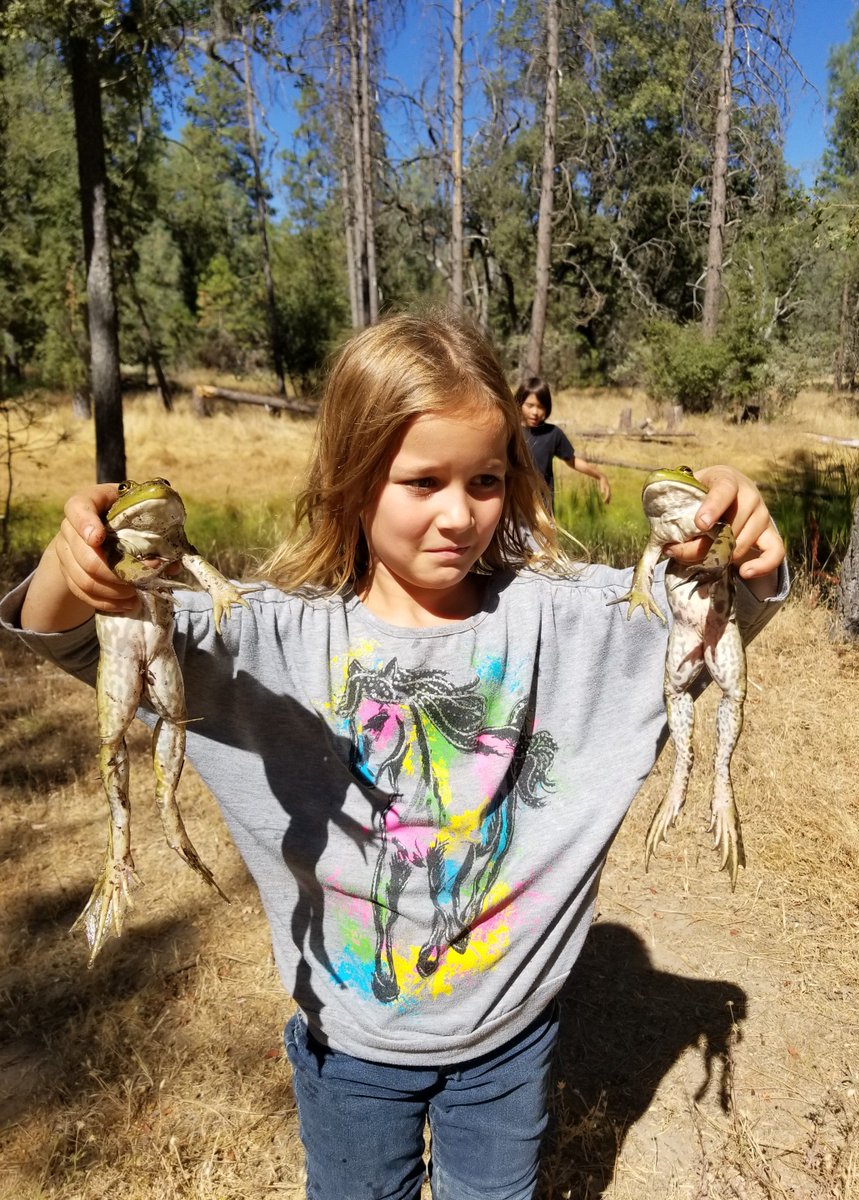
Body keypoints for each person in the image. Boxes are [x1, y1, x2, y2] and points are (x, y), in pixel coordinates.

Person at [1, 310, 787, 1200]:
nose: (460, 514)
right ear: (352, 481)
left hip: (509, 1044)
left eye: (487, 479)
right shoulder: (274, 634)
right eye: (423, 482)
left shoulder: (564, 622)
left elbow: (715, 614)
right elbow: (63, 635)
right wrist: (80, 568)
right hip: (349, 1050)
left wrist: (741, 540)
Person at [515, 376, 612, 511]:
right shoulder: (511, 431)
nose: (535, 412)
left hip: (543, 511)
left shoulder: (553, 433)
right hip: (513, 507)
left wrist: (600, 476)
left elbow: (572, 461)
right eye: (530, 405)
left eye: (540, 407)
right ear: (519, 403)